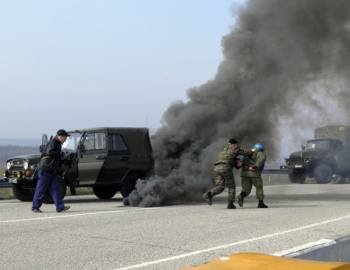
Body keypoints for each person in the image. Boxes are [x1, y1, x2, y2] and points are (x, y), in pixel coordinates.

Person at [32, 129, 71, 213]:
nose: (65, 139)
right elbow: (50, 152)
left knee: (56, 189)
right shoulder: (53, 142)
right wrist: (60, 154)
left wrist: (64, 160)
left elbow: (55, 156)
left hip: (52, 171)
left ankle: (60, 207)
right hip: (46, 169)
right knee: (41, 189)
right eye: (65, 137)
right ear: (60, 136)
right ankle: (35, 207)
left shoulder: (58, 143)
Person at [203, 138, 245, 209]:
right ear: (233, 144)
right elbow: (246, 153)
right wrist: (253, 151)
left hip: (216, 168)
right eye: (235, 145)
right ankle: (230, 204)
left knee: (220, 187)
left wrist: (237, 162)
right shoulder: (235, 149)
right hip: (225, 168)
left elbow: (231, 159)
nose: (236, 146)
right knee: (231, 186)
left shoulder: (224, 150)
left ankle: (209, 194)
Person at [237, 143, 268, 208]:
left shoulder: (248, 153)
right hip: (254, 173)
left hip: (245, 174)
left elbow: (240, 161)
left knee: (246, 189)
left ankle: (241, 196)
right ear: (261, 149)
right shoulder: (261, 153)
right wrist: (254, 167)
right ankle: (261, 203)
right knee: (259, 187)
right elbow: (260, 161)